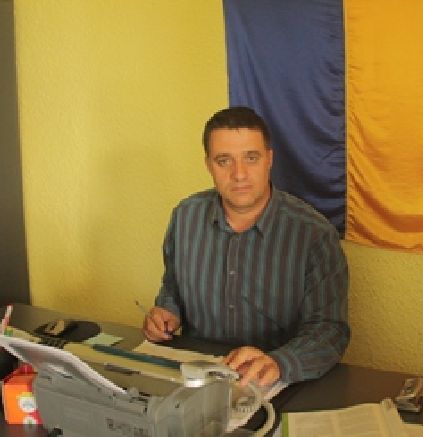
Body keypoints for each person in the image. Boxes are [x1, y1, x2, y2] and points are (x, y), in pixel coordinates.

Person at [143, 106, 350, 387]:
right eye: (224, 161)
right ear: (208, 165)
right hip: (200, 378)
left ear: (269, 159)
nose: (239, 174)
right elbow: (173, 288)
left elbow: (330, 330)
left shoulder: (314, 234)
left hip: (277, 384)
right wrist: (166, 312)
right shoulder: (185, 217)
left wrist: (279, 363)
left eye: (251, 158)